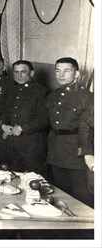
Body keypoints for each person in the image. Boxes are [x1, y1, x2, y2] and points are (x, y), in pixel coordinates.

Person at [47, 57, 94, 207]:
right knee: (60, 194)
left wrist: (86, 153)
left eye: (67, 71)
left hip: (76, 153)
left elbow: (88, 129)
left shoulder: (87, 97)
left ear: (77, 74)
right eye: (58, 71)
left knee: (80, 198)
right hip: (55, 151)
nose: (61, 75)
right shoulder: (53, 95)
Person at [0, 60, 49, 175]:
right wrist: (3, 125)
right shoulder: (11, 89)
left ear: (31, 73)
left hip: (32, 146)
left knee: (36, 180)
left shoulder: (41, 91)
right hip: (12, 144)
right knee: (14, 178)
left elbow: (45, 119)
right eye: (16, 72)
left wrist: (22, 128)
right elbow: (5, 111)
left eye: (23, 72)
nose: (19, 75)